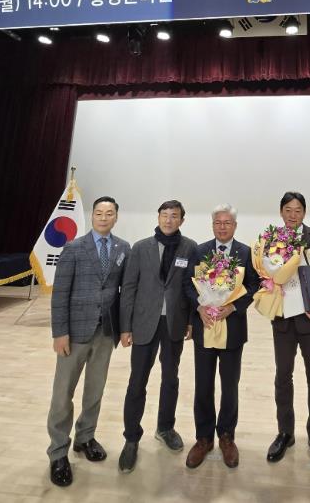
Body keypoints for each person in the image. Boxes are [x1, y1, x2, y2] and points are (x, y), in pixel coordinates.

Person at [47, 196, 131, 487]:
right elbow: (60, 293)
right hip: (74, 332)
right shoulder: (73, 248)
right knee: (62, 395)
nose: (103, 218)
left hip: (105, 332)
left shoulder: (123, 248)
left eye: (109, 213)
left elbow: (123, 292)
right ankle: (58, 452)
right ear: (92, 216)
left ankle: (85, 437)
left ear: (116, 217)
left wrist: (125, 328)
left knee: (95, 390)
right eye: (99, 213)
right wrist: (60, 332)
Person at [118, 200, 197, 473]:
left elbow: (193, 287)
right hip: (143, 323)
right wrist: (125, 327)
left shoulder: (189, 248)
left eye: (174, 216)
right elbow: (129, 288)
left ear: (181, 220)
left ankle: (165, 428)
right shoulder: (141, 248)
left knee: (170, 378)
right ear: (158, 217)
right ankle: (131, 438)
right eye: (164, 215)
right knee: (137, 381)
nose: (168, 220)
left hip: (174, 323)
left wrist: (191, 322)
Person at [184, 204, 260, 469]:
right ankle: (203, 438)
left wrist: (234, 306)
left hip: (233, 329)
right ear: (212, 225)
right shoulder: (200, 251)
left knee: (230, 386)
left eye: (227, 223)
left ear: (235, 226)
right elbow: (188, 285)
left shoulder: (245, 253)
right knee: (203, 384)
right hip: (205, 326)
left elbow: (253, 285)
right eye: (218, 222)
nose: (222, 227)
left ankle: (227, 436)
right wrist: (199, 307)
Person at [266, 191, 310, 471]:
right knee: (283, 377)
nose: (293, 215)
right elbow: (264, 275)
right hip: (283, 320)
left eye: (298, 210)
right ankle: (285, 433)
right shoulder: (270, 239)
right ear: (281, 212)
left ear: (304, 212)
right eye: (288, 210)